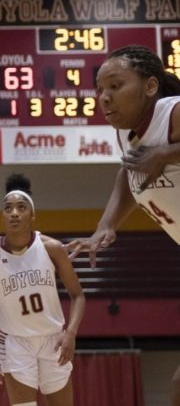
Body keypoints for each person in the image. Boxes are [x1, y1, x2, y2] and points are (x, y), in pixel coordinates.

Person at [65, 44, 180, 405]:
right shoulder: (126, 132)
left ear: (149, 86)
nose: (104, 97)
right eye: (100, 89)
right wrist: (106, 226)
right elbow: (127, 174)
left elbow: (151, 157)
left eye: (116, 86)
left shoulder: (172, 112)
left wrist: (165, 154)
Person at [0, 174, 85, 406]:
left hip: (54, 339)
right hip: (16, 343)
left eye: (21, 207)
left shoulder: (52, 249)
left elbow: (78, 296)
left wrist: (71, 333)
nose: (14, 213)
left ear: (32, 215)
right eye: (8, 208)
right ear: (3, 216)